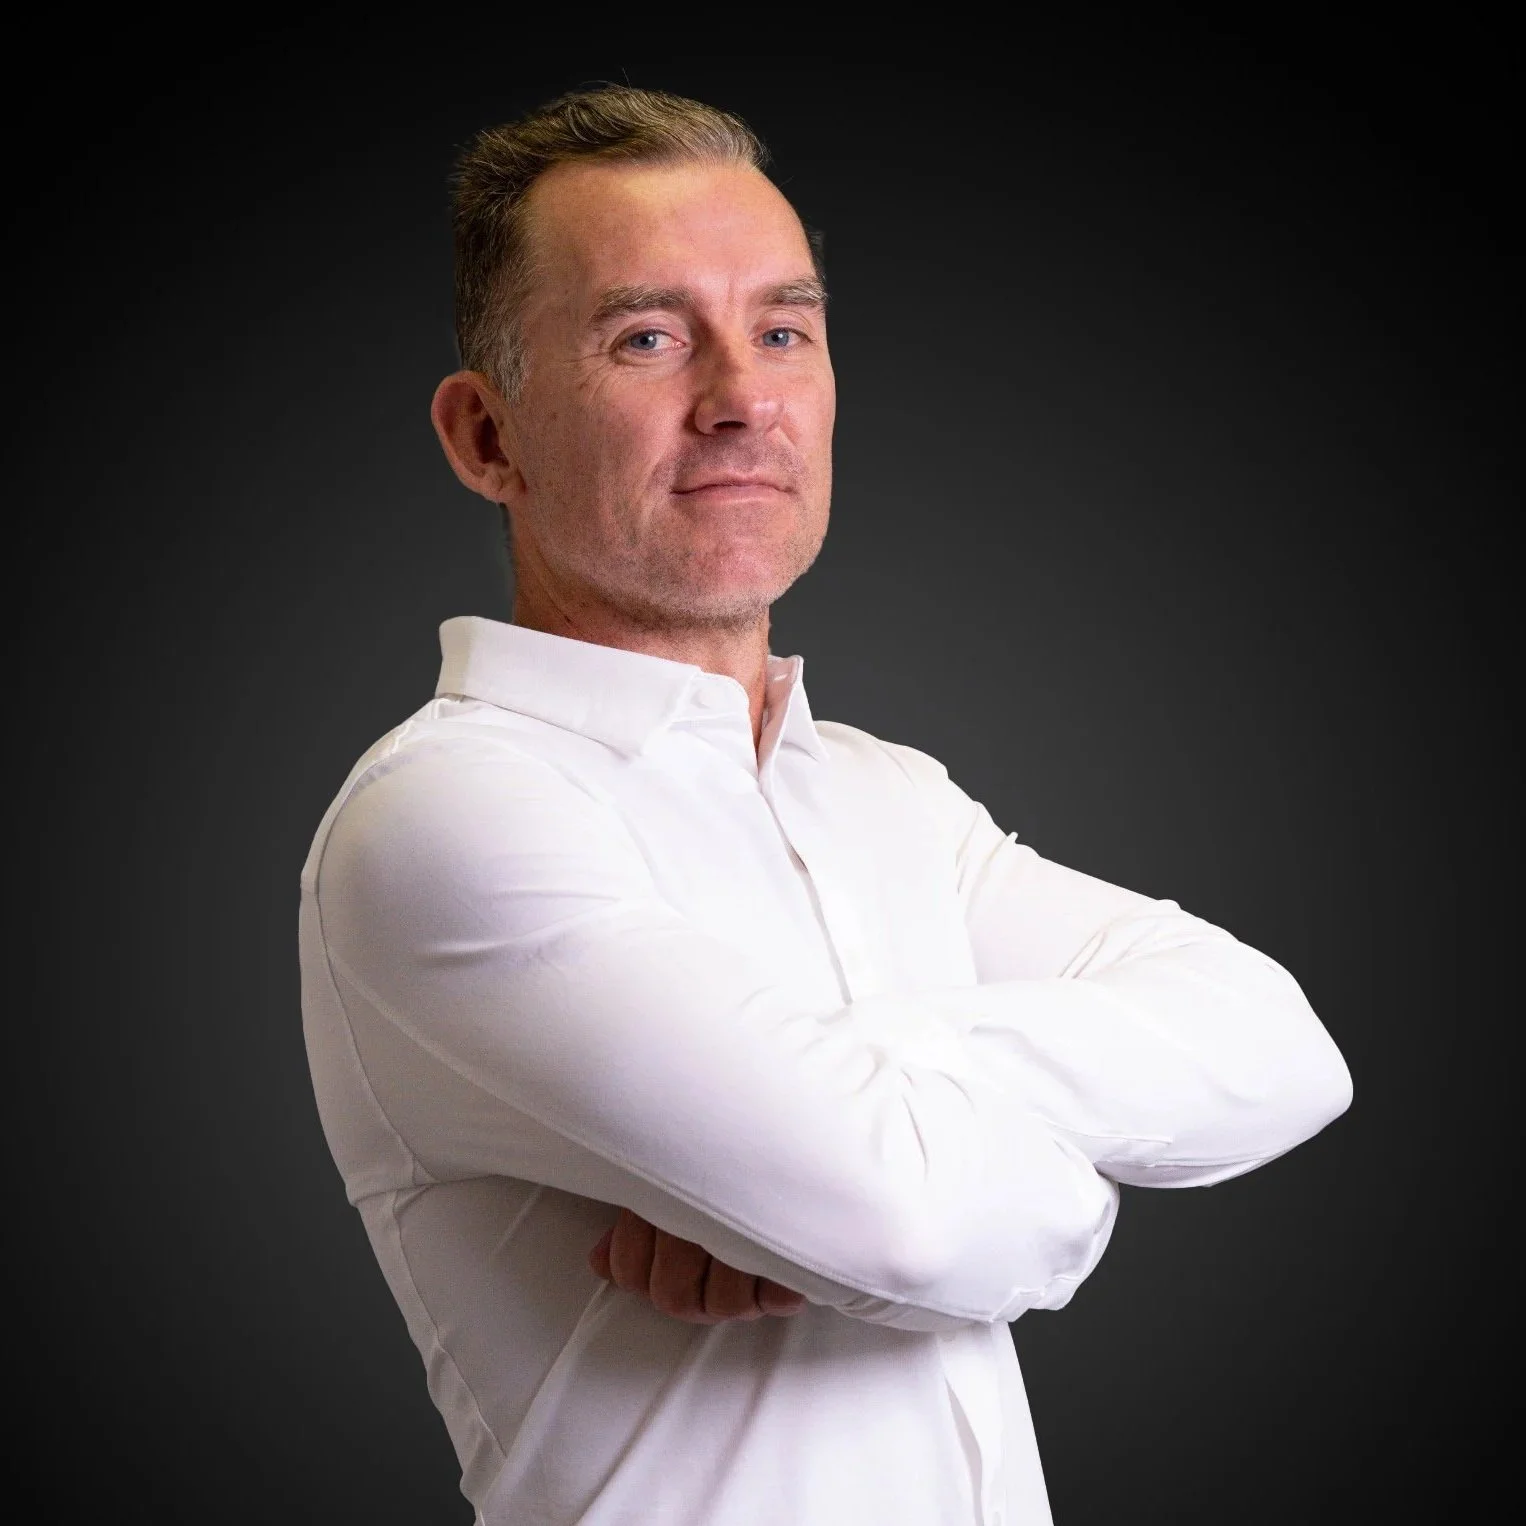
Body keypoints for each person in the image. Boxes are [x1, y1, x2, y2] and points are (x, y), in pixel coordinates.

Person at [297, 85, 1354, 1526]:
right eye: (648, 337)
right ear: (488, 437)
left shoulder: (884, 793)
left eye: (783, 329)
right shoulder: (448, 819)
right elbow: (916, 1225)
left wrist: (868, 1075)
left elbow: (1283, 1044)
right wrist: (1004, 1168)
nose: (741, 395)